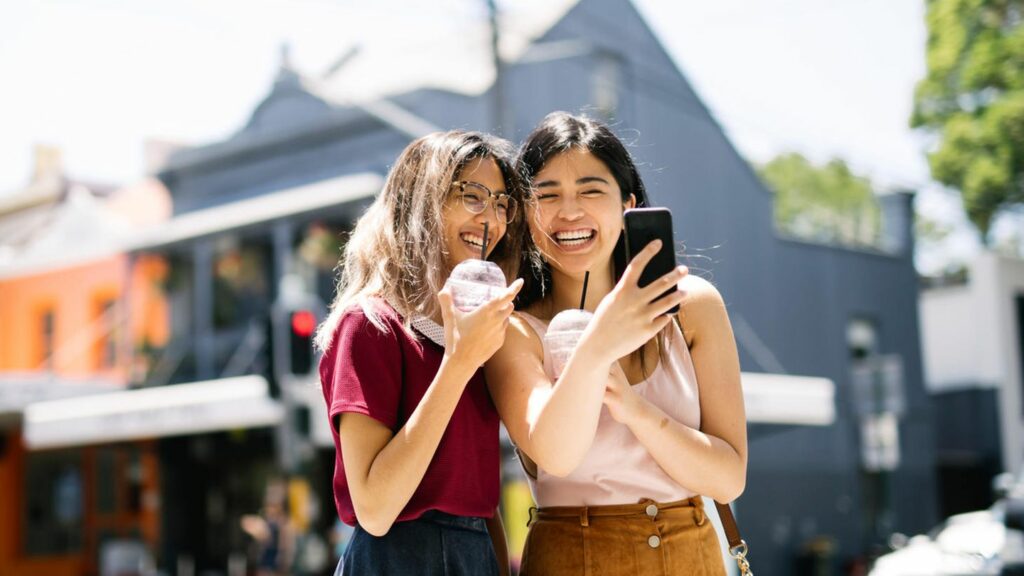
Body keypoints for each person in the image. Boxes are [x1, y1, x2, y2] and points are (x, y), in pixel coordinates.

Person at [486, 112, 748, 575]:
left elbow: (727, 479)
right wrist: (598, 345)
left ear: (627, 204)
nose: (569, 212)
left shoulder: (693, 307)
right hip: (571, 559)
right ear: (526, 214)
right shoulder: (514, 330)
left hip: (691, 558)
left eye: (590, 190)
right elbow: (557, 455)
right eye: (547, 195)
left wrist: (635, 409)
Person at [315, 130, 529, 576]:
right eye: (472, 195)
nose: (491, 216)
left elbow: (482, 504)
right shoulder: (370, 324)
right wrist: (458, 364)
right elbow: (374, 508)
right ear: (422, 201)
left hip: (475, 556)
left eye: (502, 203)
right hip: (395, 557)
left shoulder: (473, 337)